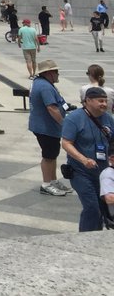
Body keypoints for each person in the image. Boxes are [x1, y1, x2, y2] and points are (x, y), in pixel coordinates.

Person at [61, 87, 114, 231]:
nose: (104, 104)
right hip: (81, 172)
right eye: (100, 101)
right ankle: (85, 237)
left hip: (103, 173)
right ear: (88, 101)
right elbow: (66, 143)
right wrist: (84, 159)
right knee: (92, 207)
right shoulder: (74, 118)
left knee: (103, 208)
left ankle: (96, 235)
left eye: (105, 101)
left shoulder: (108, 119)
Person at [28, 59, 70, 197]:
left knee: (53, 154)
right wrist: (64, 124)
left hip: (44, 126)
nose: (58, 74)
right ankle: (46, 184)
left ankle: (53, 180)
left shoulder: (40, 83)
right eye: (56, 71)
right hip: (45, 127)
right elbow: (52, 108)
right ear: (48, 73)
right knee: (48, 156)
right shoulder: (45, 87)